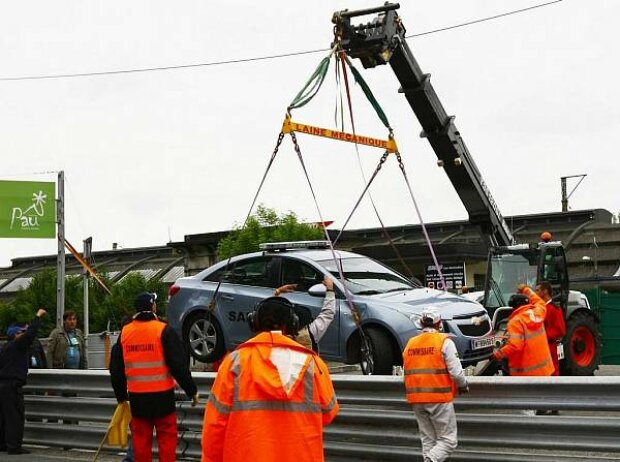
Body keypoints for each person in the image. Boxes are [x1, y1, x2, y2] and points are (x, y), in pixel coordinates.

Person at [201, 296, 339, 462]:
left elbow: (215, 426)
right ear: (293, 324)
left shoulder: (234, 363)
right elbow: (329, 413)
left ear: (254, 323)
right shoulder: (313, 365)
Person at [109, 292, 199, 462]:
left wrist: (121, 398)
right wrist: (192, 390)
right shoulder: (163, 329)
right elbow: (178, 366)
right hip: (163, 398)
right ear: (153, 307)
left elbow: (116, 370)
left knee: (141, 442)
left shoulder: (125, 333)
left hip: (137, 399)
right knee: (167, 439)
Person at [403, 307, 468, 462]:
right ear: (439, 324)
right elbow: (457, 373)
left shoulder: (410, 343)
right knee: (448, 441)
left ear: (421, 323)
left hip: (416, 399)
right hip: (439, 398)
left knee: (428, 441)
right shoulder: (444, 341)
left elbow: (405, 371)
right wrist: (463, 385)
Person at [0, 308, 47, 455]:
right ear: (16, 335)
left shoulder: (5, 348)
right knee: (15, 417)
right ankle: (14, 446)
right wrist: (38, 316)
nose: (24, 334)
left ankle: (3, 444)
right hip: (13, 386)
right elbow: (31, 334)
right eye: (22, 332)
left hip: (3, 386)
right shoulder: (17, 345)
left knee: (3, 417)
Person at [493, 284, 554, 377]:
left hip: (527, 375)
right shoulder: (538, 312)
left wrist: (497, 355)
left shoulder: (515, 322)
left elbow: (515, 346)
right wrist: (526, 289)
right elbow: (539, 301)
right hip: (545, 371)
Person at [274, 275, 336, 351]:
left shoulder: (276, 332)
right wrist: (330, 289)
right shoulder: (311, 332)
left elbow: (268, 311)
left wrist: (278, 292)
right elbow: (328, 313)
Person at [535, 281, 566, 376]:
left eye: (537, 290)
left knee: (551, 371)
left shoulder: (554, 309)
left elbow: (560, 330)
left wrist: (543, 336)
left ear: (545, 291)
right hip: (541, 346)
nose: (535, 293)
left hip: (549, 346)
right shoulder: (541, 307)